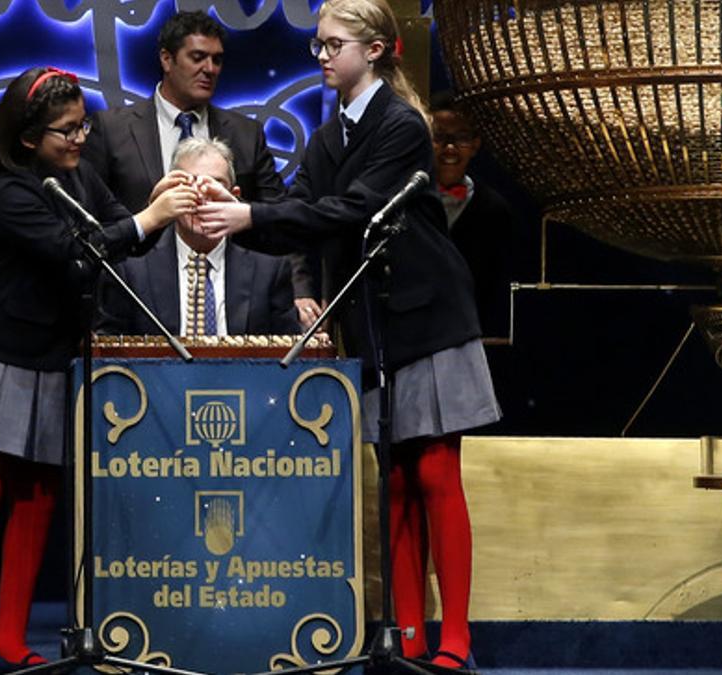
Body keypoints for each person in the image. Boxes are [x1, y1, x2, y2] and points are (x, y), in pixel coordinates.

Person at [195, 0, 500, 670]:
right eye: (319, 46)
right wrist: (240, 213)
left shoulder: (400, 125)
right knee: (392, 480)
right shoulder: (328, 135)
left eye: (335, 45)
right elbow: (303, 210)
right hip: (372, 320)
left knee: (435, 472)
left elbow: (353, 209)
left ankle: (455, 638)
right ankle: (407, 635)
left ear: (378, 49)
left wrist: (248, 216)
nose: (324, 56)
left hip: (429, 314)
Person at [0, 66, 198, 675]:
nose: (79, 139)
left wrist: (160, 203)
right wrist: (149, 219)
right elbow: (78, 250)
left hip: (53, 356)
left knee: (37, 498)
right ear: (28, 137)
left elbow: (124, 232)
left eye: (82, 125)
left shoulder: (81, 176)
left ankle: (9, 643)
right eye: (65, 130)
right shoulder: (13, 190)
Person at [82, 9, 324, 328]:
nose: (209, 69)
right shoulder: (112, 130)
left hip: (232, 302)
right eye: (197, 57)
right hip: (138, 303)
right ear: (167, 60)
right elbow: (92, 223)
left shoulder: (245, 134)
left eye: (217, 60)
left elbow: (277, 217)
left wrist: (300, 289)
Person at [96, 138, 300, 336]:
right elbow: (107, 357)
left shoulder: (270, 271)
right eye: (188, 184)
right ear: (168, 193)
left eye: (214, 184)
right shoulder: (130, 272)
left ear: (234, 196)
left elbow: (287, 356)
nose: (200, 196)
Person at [429, 91, 517, 338]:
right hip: (413, 340)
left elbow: (497, 287)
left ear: (476, 145)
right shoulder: (406, 203)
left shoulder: (495, 211)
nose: (449, 148)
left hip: (473, 337)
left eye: (461, 138)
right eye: (439, 138)